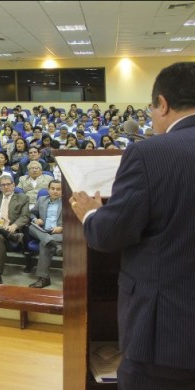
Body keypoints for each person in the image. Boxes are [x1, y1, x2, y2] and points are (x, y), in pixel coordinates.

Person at [70, 62, 195, 388]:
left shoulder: (149, 153)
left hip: (168, 337)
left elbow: (109, 235)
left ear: (163, 104)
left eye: (152, 108)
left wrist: (91, 214)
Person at [28, 180, 62, 289]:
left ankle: (44, 279)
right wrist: (35, 219)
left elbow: (74, 221)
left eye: (58, 189)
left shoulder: (68, 202)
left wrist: (62, 228)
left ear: (62, 191)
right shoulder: (42, 200)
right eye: (53, 188)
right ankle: (55, 245)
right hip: (42, 230)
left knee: (44, 243)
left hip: (59, 233)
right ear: (48, 189)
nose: (55, 191)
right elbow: (31, 213)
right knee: (31, 227)